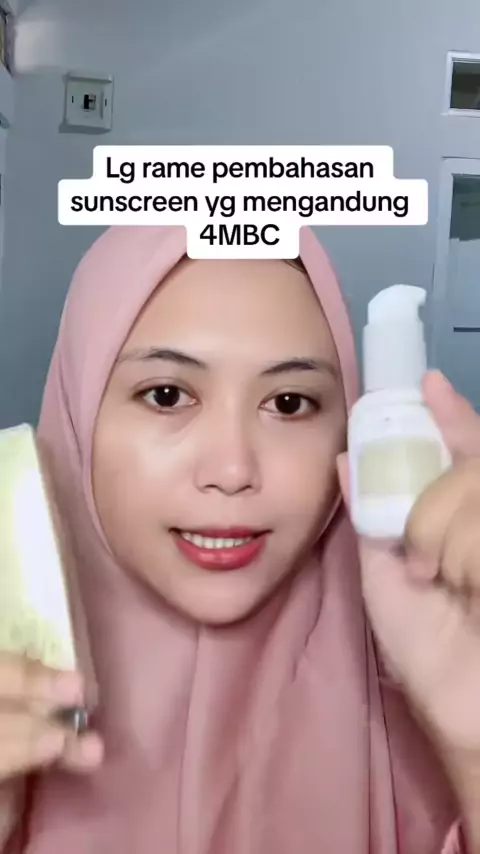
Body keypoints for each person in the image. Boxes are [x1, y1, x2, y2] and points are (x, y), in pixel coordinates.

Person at [0, 224, 478, 853]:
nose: (232, 470)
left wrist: (472, 748)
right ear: (79, 414)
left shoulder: (432, 676)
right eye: (167, 395)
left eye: (289, 403)